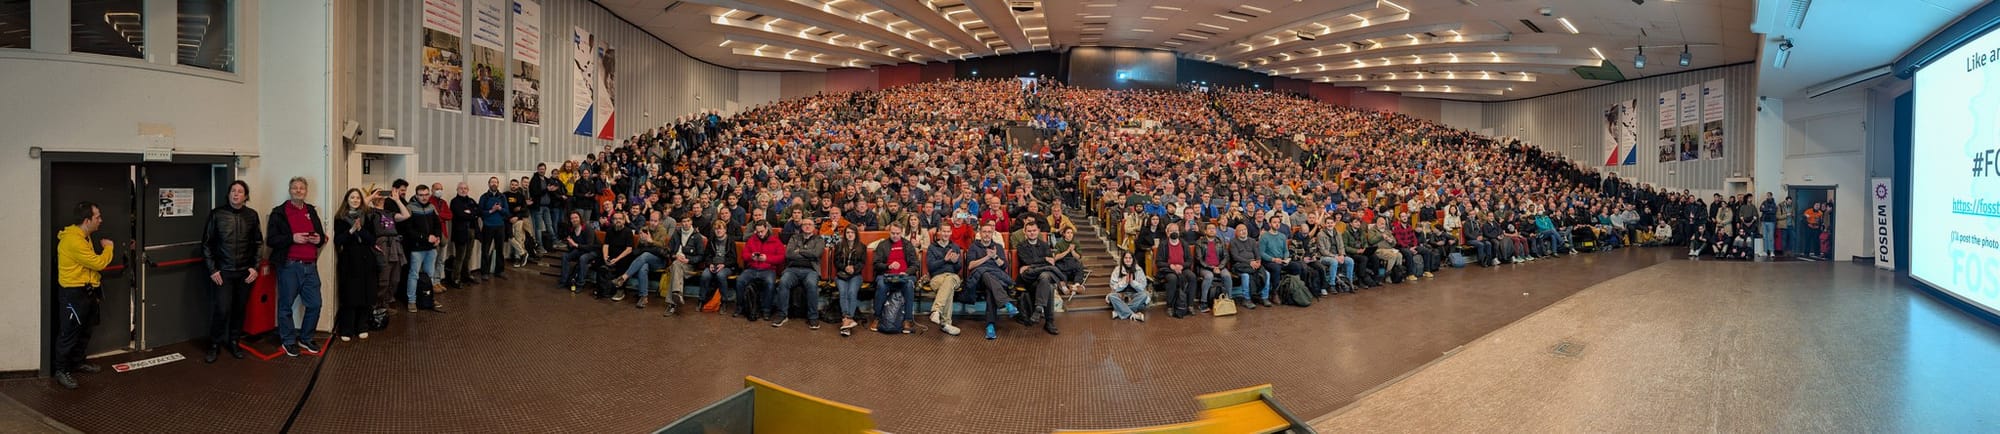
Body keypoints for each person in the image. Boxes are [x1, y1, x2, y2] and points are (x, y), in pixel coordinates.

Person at [53, 201, 115, 389]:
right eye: (97, 217)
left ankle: (78, 362)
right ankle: (62, 371)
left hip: (87, 291)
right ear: (87, 220)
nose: (100, 220)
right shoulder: (73, 240)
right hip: (73, 294)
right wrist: (109, 247)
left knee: (85, 330)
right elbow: (97, 263)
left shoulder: (84, 236)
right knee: (69, 333)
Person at [201, 180, 262, 363]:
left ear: (246, 196)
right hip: (223, 273)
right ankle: (214, 345)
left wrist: (255, 267)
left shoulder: (252, 215)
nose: (236, 194)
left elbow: (258, 243)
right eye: (233, 191)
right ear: (228, 194)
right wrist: (213, 270)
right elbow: (206, 244)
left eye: (240, 191)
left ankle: (234, 342)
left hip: (245, 273)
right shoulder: (217, 214)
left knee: (239, 309)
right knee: (222, 309)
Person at [266, 177, 327, 356]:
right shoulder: (279, 212)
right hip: (289, 266)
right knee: (286, 306)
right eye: (295, 188)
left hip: (310, 267)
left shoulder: (311, 211)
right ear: (289, 190)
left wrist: (319, 239)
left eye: (302, 188)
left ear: (306, 191)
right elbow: (271, 240)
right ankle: (288, 340)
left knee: (315, 304)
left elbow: (321, 236)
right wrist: (292, 238)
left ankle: (306, 338)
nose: (298, 190)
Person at [331, 189, 378, 342]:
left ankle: (362, 326)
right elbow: (338, 240)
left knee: (366, 293)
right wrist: (351, 231)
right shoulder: (340, 218)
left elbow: (372, 239)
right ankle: (347, 328)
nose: (356, 200)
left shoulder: (367, 216)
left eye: (358, 198)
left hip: (366, 259)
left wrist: (361, 230)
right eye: (352, 197)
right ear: (347, 200)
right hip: (349, 260)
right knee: (350, 295)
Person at [963, 221, 1020, 340]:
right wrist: (987, 257)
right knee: (985, 273)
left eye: (989, 232)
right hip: (978, 280)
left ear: (992, 233)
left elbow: (1004, 266)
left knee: (991, 290)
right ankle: (1006, 303)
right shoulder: (974, 246)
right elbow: (971, 266)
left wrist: (995, 256)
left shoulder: (997, 247)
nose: (987, 234)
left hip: (996, 278)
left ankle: (990, 326)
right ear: (980, 233)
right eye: (984, 232)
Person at [770, 216, 825, 329]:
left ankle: (813, 317)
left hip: (810, 270)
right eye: (805, 224)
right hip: (793, 269)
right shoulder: (794, 238)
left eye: (810, 224)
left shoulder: (819, 239)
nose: (807, 226)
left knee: (811, 284)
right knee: (783, 282)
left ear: (814, 227)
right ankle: (782, 315)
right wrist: (808, 253)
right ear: (801, 227)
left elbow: (816, 254)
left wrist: (800, 251)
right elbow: (789, 254)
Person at [401, 184, 446, 313]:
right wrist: (426, 237)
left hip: (431, 248)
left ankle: (429, 298)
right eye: (421, 195)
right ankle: (412, 301)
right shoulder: (410, 208)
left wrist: (437, 237)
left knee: (429, 275)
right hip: (416, 249)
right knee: (414, 275)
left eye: (426, 195)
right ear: (416, 195)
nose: (424, 197)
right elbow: (409, 230)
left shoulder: (431, 207)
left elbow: (438, 224)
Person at [1013, 222, 1061, 335]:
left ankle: (1039, 308)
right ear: (1025, 232)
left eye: (1034, 230)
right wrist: (1044, 260)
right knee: (1047, 284)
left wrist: (1033, 265)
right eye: (1029, 231)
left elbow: (1049, 264)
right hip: (1030, 280)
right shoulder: (1021, 246)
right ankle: (1049, 322)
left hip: (1043, 276)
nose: (1032, 233)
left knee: (1046, 281)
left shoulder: (1044, 245)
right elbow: (1027, 261)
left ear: (1038, 231)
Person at [873, 224, 921, 336]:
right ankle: (877, 317)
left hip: (904, 276)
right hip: (886, 275)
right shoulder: (882, 245)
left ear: (902, 233)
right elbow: (876, 264)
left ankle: (907, 320)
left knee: (909, 285)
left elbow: (915, 265)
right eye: (893, 233)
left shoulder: (908, 245)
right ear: (889, 232)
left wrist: (907, 272)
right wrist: (888, 266)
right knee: (881, 285)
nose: (895, 236)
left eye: (897, 233)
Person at [738, 221, 784, 321]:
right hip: (752, 268)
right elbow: (744, 255)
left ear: (767, 229)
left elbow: (781, 257)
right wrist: (751, 256)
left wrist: (767, 258)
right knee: (740, 281)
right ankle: (740, 307)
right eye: (758, 232)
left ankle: (766, 310)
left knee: (770, 283)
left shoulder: (776, 241)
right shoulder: (751, 240)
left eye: (762, 231)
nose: (760, 234)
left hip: (768, 269)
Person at [925, 231, 965, 336]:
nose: (946, 234)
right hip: (936, 278)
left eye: (948, 231)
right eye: (944, 231)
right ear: (939, 233)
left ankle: (936, 311)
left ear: (951, 233)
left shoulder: (955, 247)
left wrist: (955, 262)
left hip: (953, 276)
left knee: (950, 280)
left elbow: (958, 268)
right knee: (948, 287)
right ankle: (946, 324)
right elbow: (930, 267)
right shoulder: (932, 247)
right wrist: (944, 260)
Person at [830, 225, 868, 334]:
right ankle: (847, 320)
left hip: (856, 275)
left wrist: (854, 268)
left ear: (856, 234)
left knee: (851, 292)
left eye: (852, 233)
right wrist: (845, 267)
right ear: (845, 234)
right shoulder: (839, 245)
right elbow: (836, 262)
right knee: (843, 292)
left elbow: (862, 263)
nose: (850, 235)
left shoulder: (862, 247)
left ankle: (847, 319)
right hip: (841, 274)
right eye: (848, 233)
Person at [1154, 222, 1194, 318]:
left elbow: (1189, 260)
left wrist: (1182, 266)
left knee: (1192, 277)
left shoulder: (1184, 243)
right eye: (1171, 231)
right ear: (1167, 233)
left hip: (1182, 268)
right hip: (1168, 269)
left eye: (1176, 230)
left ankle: (1190, 305)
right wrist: (1171, 266)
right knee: (1172, 279)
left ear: (1179, 232)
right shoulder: (1163, 244)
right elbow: (1159, 262)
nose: (1174, 232)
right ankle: (1170, 306)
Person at [446, 182, 481, 287]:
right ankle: (456, 278)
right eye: (461, 188)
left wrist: (470, 213)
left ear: (468, 190)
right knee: (460, 257)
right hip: (460, 233)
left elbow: (478, 212)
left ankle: (466, 275)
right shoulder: (454, 202)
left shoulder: (471, 201)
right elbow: (460, 215)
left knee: (468, 256)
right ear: (457, 190)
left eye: (465, 188)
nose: (463, 190)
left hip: (472, 231)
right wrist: (471, 214)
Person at [478, 177, 513, 280]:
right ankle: (484, 272)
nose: (494, 184)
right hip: (488, 226)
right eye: (492, 182)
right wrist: (491, 211)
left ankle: (500, 271)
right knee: (485, 250)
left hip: (500, 226)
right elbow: (480, 212)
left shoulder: (502, 197)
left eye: (496, 182)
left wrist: (500, 209)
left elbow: (507, 212)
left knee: (500, 250)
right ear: (488, 184)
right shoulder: (484, 197)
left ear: (498, 184)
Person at [556, 211, 598, 291]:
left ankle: (580, 283)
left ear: (580, 218)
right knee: (565, 256)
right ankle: (564, 281)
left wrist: (575, 245)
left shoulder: (587, 228)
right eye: (572, 218)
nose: (574, 220)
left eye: (576, 217)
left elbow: (590, 246)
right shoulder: (572, 230)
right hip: (581, 249)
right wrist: (570, 245)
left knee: (583, 258)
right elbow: (571, 247)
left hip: (593, 251)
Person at [1108, 252, 1151, 322]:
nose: (1128, 260)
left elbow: (1142, 287)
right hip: (1121, 295)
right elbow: (1113, 287)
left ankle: (1119, 311)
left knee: (1144, 295)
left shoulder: (1139, 270)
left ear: (1133, 259)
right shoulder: (1117, 270)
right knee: (1111, 296)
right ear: (1123, 259)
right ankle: (1134, 315)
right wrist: (1124, 282)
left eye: (1130, 258)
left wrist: (1132, 282)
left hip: (1134, 295)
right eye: (1126, 258)